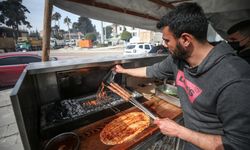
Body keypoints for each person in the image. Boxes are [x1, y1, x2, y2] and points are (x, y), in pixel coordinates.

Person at [113, 2, 250, 150]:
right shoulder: (178, 60)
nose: (164, 45)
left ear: (185, 40)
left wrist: (179, 131)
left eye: (167, 40)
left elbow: (237, 145)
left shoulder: (236, 78)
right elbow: (152, 70)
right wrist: (123, 70)